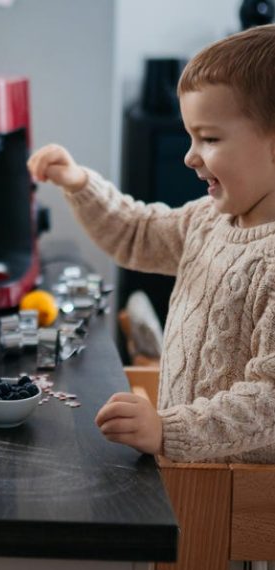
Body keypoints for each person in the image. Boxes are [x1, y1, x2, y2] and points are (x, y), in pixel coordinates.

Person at [28, 24, 275, 464]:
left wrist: (169, 429)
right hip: (185, 468)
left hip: (236, 499)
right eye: (190, 136)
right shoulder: (207, 220)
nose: (190, 155)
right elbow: (136, 233)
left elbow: (268, 400)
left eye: (210, 138)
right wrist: (80, 184)